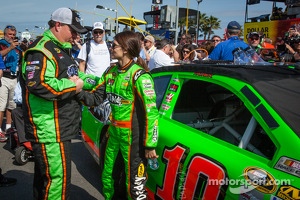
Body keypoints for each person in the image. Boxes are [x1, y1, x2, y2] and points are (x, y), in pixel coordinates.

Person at [75, 30, 159, 199]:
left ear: (126, 49)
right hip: (113, 133)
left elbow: (152, 113)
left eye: (114, 45)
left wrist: (150, 144)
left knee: (135, 185)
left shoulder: (140, 76)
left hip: (134, 138)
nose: (110, 48)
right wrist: (75, 91)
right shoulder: (111, 72)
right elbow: (96, 98)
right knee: (108, 176)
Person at [21, 7, 88, 199]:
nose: (75, 35)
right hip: (50, 128)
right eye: (73, 30)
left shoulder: (60, 48)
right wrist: (73, 87)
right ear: (58, 25)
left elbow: (76, 75)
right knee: (57, 180)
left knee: (46, 180)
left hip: (59, 126)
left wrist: (98, 81)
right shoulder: (41, 50)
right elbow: (38, 84)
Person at [0, 25, 22, 139]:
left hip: (14, 78)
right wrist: (9, 48)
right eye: (10, 34)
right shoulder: (1, 44)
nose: (12, 37)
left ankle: (8, 127)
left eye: (13, 35)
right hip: (3, 77)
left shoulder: (17, 48)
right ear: (5, 34)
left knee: (11, 105)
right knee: (1, 106)